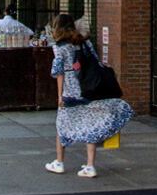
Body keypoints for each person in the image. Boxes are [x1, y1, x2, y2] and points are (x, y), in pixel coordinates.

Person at [45, 14, 134, 178]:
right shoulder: (84, 43)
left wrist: (59, 96)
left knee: (62, 126)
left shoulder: (60, 47)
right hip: (88, 89)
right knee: (91, 124)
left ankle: (59, 162)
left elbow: (59, 73)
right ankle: (90, 165)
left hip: (70, 93)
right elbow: (97, 62)